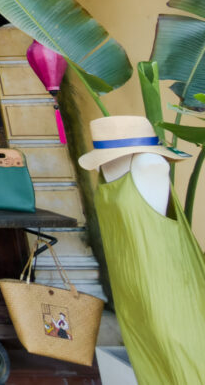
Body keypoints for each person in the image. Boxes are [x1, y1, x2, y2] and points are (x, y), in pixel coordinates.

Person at [78, 116, 205, 385]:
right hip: (132, 293)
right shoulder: (106, 168)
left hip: (168, 289)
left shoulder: (150, 164)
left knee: (185, 362)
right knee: (151, 367)